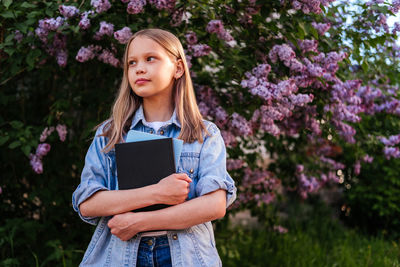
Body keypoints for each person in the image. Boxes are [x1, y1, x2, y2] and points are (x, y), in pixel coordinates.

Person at [72, 28, 236, 267]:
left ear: (178, 68)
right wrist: (157, 193)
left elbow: (215, 204)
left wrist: (139, 222)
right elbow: (88, 203)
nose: (139, 68)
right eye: (132, 62)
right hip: (120, 258)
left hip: (186, 258)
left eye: (150, 59)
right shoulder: (111, 133)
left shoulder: (204, 134)